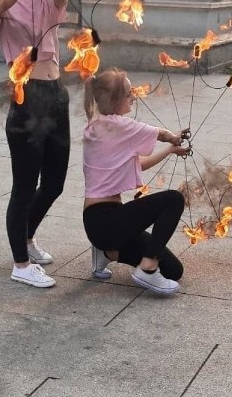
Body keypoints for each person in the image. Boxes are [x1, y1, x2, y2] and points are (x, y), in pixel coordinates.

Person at [0, 0, 69, 288]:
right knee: (24, 185)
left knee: (54, 183)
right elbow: (0, 5)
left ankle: (28, 239)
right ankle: (20, 263)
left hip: (56, 94)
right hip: (26, 96)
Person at [82, 68, 189, 295]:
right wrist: (172, 137)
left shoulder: (97, 125)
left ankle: (106, 253)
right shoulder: (118, 125)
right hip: (106, 221)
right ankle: (147, 269)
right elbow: (159, 132)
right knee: (173, 199)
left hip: (104, 224)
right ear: (114, 100)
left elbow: (136, 164)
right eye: (129, 93)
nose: (133, 97)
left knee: (173, 270)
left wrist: (171, 150)